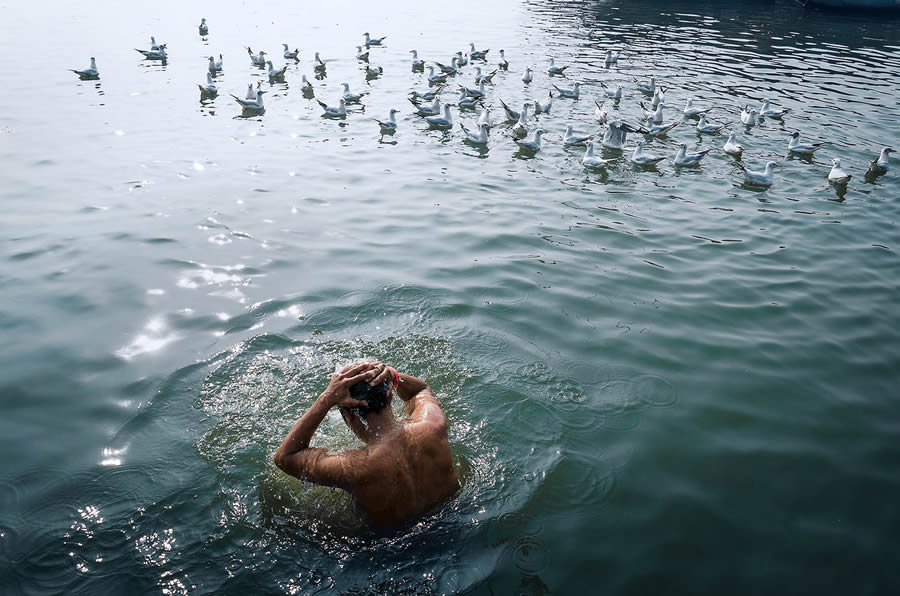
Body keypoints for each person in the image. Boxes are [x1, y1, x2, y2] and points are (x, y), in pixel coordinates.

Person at [273, 361, 459, 527]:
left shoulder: (355, 467)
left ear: (348, 416)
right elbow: (420, 390)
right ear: (390, 396)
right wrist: (393, 375)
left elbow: (285, 457)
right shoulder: (433, 424)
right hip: (451, 519)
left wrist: (327, 398)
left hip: (397, 549)